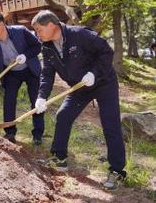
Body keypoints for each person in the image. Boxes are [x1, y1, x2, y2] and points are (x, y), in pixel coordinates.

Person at [31, 10, 126, 190]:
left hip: (103, 82)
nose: (37, 34)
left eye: (38, 29)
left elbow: (106, 51)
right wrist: (42, 96)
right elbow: (47, 74)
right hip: (79, 86)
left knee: (110, 125)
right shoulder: (47, 47)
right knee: (63, 115)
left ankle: (117, 170)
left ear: (51, 25)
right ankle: (60, 158)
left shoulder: (80, 34)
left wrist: (94, 73)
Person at [0, 12, 44, 145]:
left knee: (36, 101)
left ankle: (37, 134)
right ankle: (10, 133)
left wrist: (25, 55)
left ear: (1, 24)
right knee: (9, 101)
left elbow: (37, 46)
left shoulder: (20, 31)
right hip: (11, 74)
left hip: (30, 69)